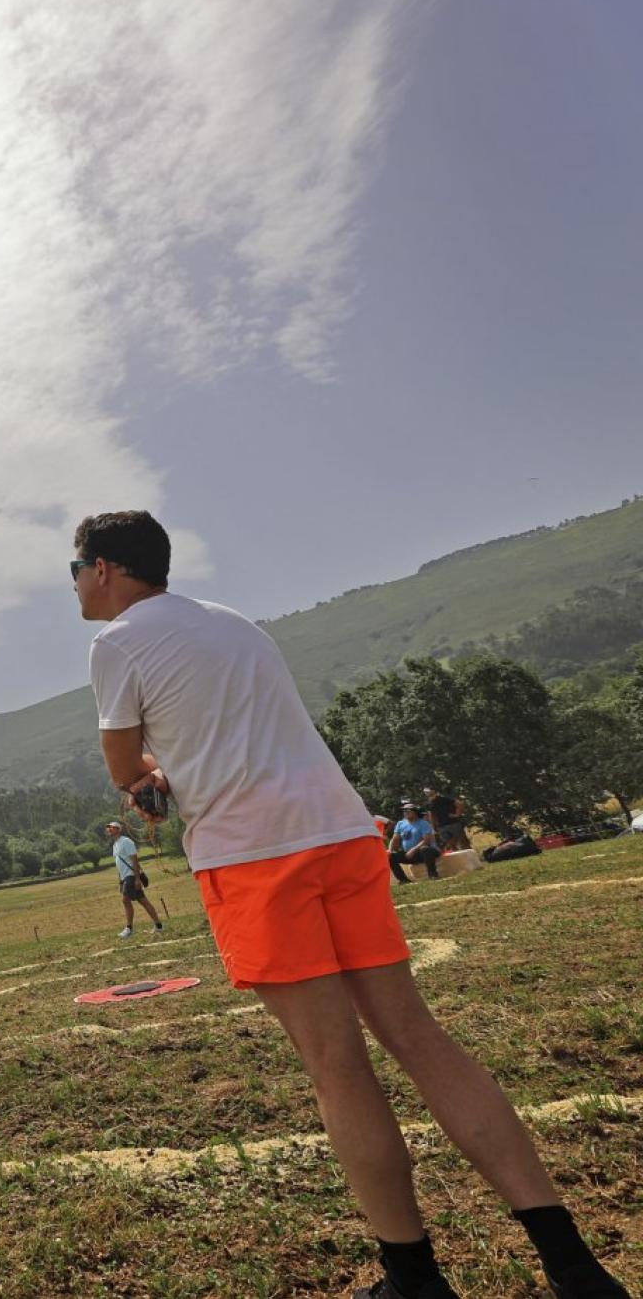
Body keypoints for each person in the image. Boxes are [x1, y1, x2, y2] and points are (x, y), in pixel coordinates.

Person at [72, 509, 628, 1299]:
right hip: (340, 832)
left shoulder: (115, 642)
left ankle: (413, 1278)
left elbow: (122, 762)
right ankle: (574, 1266)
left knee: (337, 1066)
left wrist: (148, 781)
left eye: (76, 571)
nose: (76, 588)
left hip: (256, 856)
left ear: (104, 570)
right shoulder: (236, 626)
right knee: (418, 1035)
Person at [107, 820, 164, 937]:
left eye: (112, 827)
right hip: (125, 877)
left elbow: (134, 860)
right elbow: (119, 863)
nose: (109, 829)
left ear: (119, 829)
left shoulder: (126, 842)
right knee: (141, 901)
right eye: (108, 828)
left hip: (131, 876)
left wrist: (137, 879)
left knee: (127, 900)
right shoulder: (115, 845)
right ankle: (158, 926)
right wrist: (120, 880)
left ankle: (129, 929)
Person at [390, 803, 442, 882]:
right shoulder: (400, 824)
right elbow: (395, 839)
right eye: (404, 811)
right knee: (391, 856)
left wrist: (413, 850)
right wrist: (390, 850)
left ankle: (433, 875)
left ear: (415, 812)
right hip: (409, 854)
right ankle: (403, 880)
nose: (405, 812)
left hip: (425, 852)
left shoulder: (423, 823)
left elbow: (427, 841)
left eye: (408, 811)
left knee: (425, 849)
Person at [423, 787, 470, 853]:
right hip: (441, 827)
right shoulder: (428, 803)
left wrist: (457, 814)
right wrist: (433, 828)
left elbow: (459, 804)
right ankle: (460, 861)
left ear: (433, 791)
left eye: (428, 791)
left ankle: (471, 860)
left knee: (463, 843)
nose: (426, 793)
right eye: (425, 792)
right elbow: (431, 816)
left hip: (453, 824)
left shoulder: (443, 798)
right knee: (451, 846)